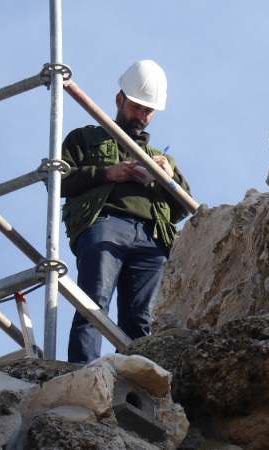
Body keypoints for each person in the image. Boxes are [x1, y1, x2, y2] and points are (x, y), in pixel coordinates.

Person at [60, 60, 191, 364]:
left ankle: (133, 383)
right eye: (136, 107)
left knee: (138, 320)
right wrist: (108, 173)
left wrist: (168, 175)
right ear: (120, 101)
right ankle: (83, 373)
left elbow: (184, 206)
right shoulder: (85, 139)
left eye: (148, 111)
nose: (142, 117)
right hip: (104, 224)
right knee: (93, 304)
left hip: (151, 237)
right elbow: (58, 180)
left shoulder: (159, 158)